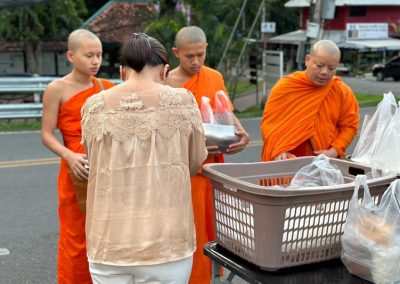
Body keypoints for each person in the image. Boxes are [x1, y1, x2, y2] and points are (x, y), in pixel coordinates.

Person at [81, 33, 208, 283]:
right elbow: (195, 162)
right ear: (165, 71)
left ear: (122, 71)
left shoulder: (93, 105)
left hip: (108, 241)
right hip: (166, 242)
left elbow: (92, 159)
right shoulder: (182, 101)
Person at [167, 26, 250, 284]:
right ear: (176, 53)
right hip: (183, 169)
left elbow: (223, 109)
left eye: (200, 55)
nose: (195, 62)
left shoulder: (213, 76)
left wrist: (242, 131)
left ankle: (210, 277)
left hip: (212, 166)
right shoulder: (166, 82)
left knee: (212, 227)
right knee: (186, 230)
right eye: (188, 56)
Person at [41, 29, 115, 283]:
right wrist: (68, 155)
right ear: (71, 56)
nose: (96, 61)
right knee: (76, 237)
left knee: (108, 233)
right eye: (89, 56)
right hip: (75, 169)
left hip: (107, 169)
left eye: (99, 55)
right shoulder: (57, 89)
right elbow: (47, 134)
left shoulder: (107, 88)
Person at [260, 39, 359, 161]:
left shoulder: (341, 91)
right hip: (286, 164)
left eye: (331, 68)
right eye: (319, 66)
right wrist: (278, 149)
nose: (324, 72)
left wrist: (334, 151)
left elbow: (349, 126)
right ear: (307, 60)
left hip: (324, 164)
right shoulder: (287, 86)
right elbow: (269, 124)